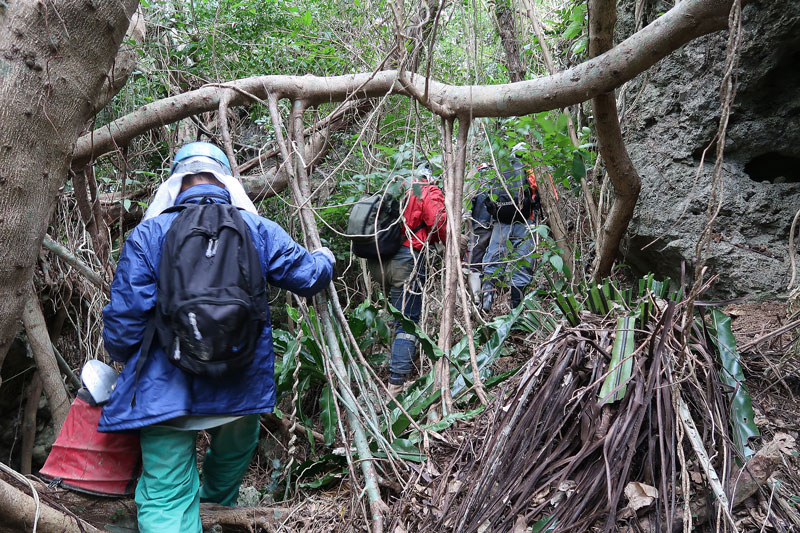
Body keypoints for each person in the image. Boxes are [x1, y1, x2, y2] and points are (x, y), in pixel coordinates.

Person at [98, 142, 335, 532]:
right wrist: (325, 257)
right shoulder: (257, 229)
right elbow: (308, 276)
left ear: (176, 183)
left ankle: (192, 516)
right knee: (237, 442)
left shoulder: (148, 235)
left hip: (167, 394)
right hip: (240, 389)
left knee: (167, 497)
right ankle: (216, 511)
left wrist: (132, 360)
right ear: (227, 180)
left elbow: (123, 331)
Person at [367, 163, 447, 396]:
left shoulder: (393, 184)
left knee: (397, 315)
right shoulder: (425, 189)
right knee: (407, 323)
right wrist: (448, 242)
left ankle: (396, 367)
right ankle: (396, 385)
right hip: (406, 259)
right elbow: (438, 222)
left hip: (378, 260)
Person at [481, 143, 540, 311]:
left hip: (501, 222)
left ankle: (486, 302)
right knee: (522, 265)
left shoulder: (501, 168)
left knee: (493, 260)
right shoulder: (530, 168)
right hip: (525, 221)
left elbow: (488, 195)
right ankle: (516, 309)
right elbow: (544, 193)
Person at [466, 162, 494, 303]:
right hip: (496, 226)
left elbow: (468, 201)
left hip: (478, 226)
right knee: (493, 260)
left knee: (475, 262)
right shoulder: (497, 177)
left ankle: (476, 298)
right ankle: (489, 297)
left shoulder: (475, 177)